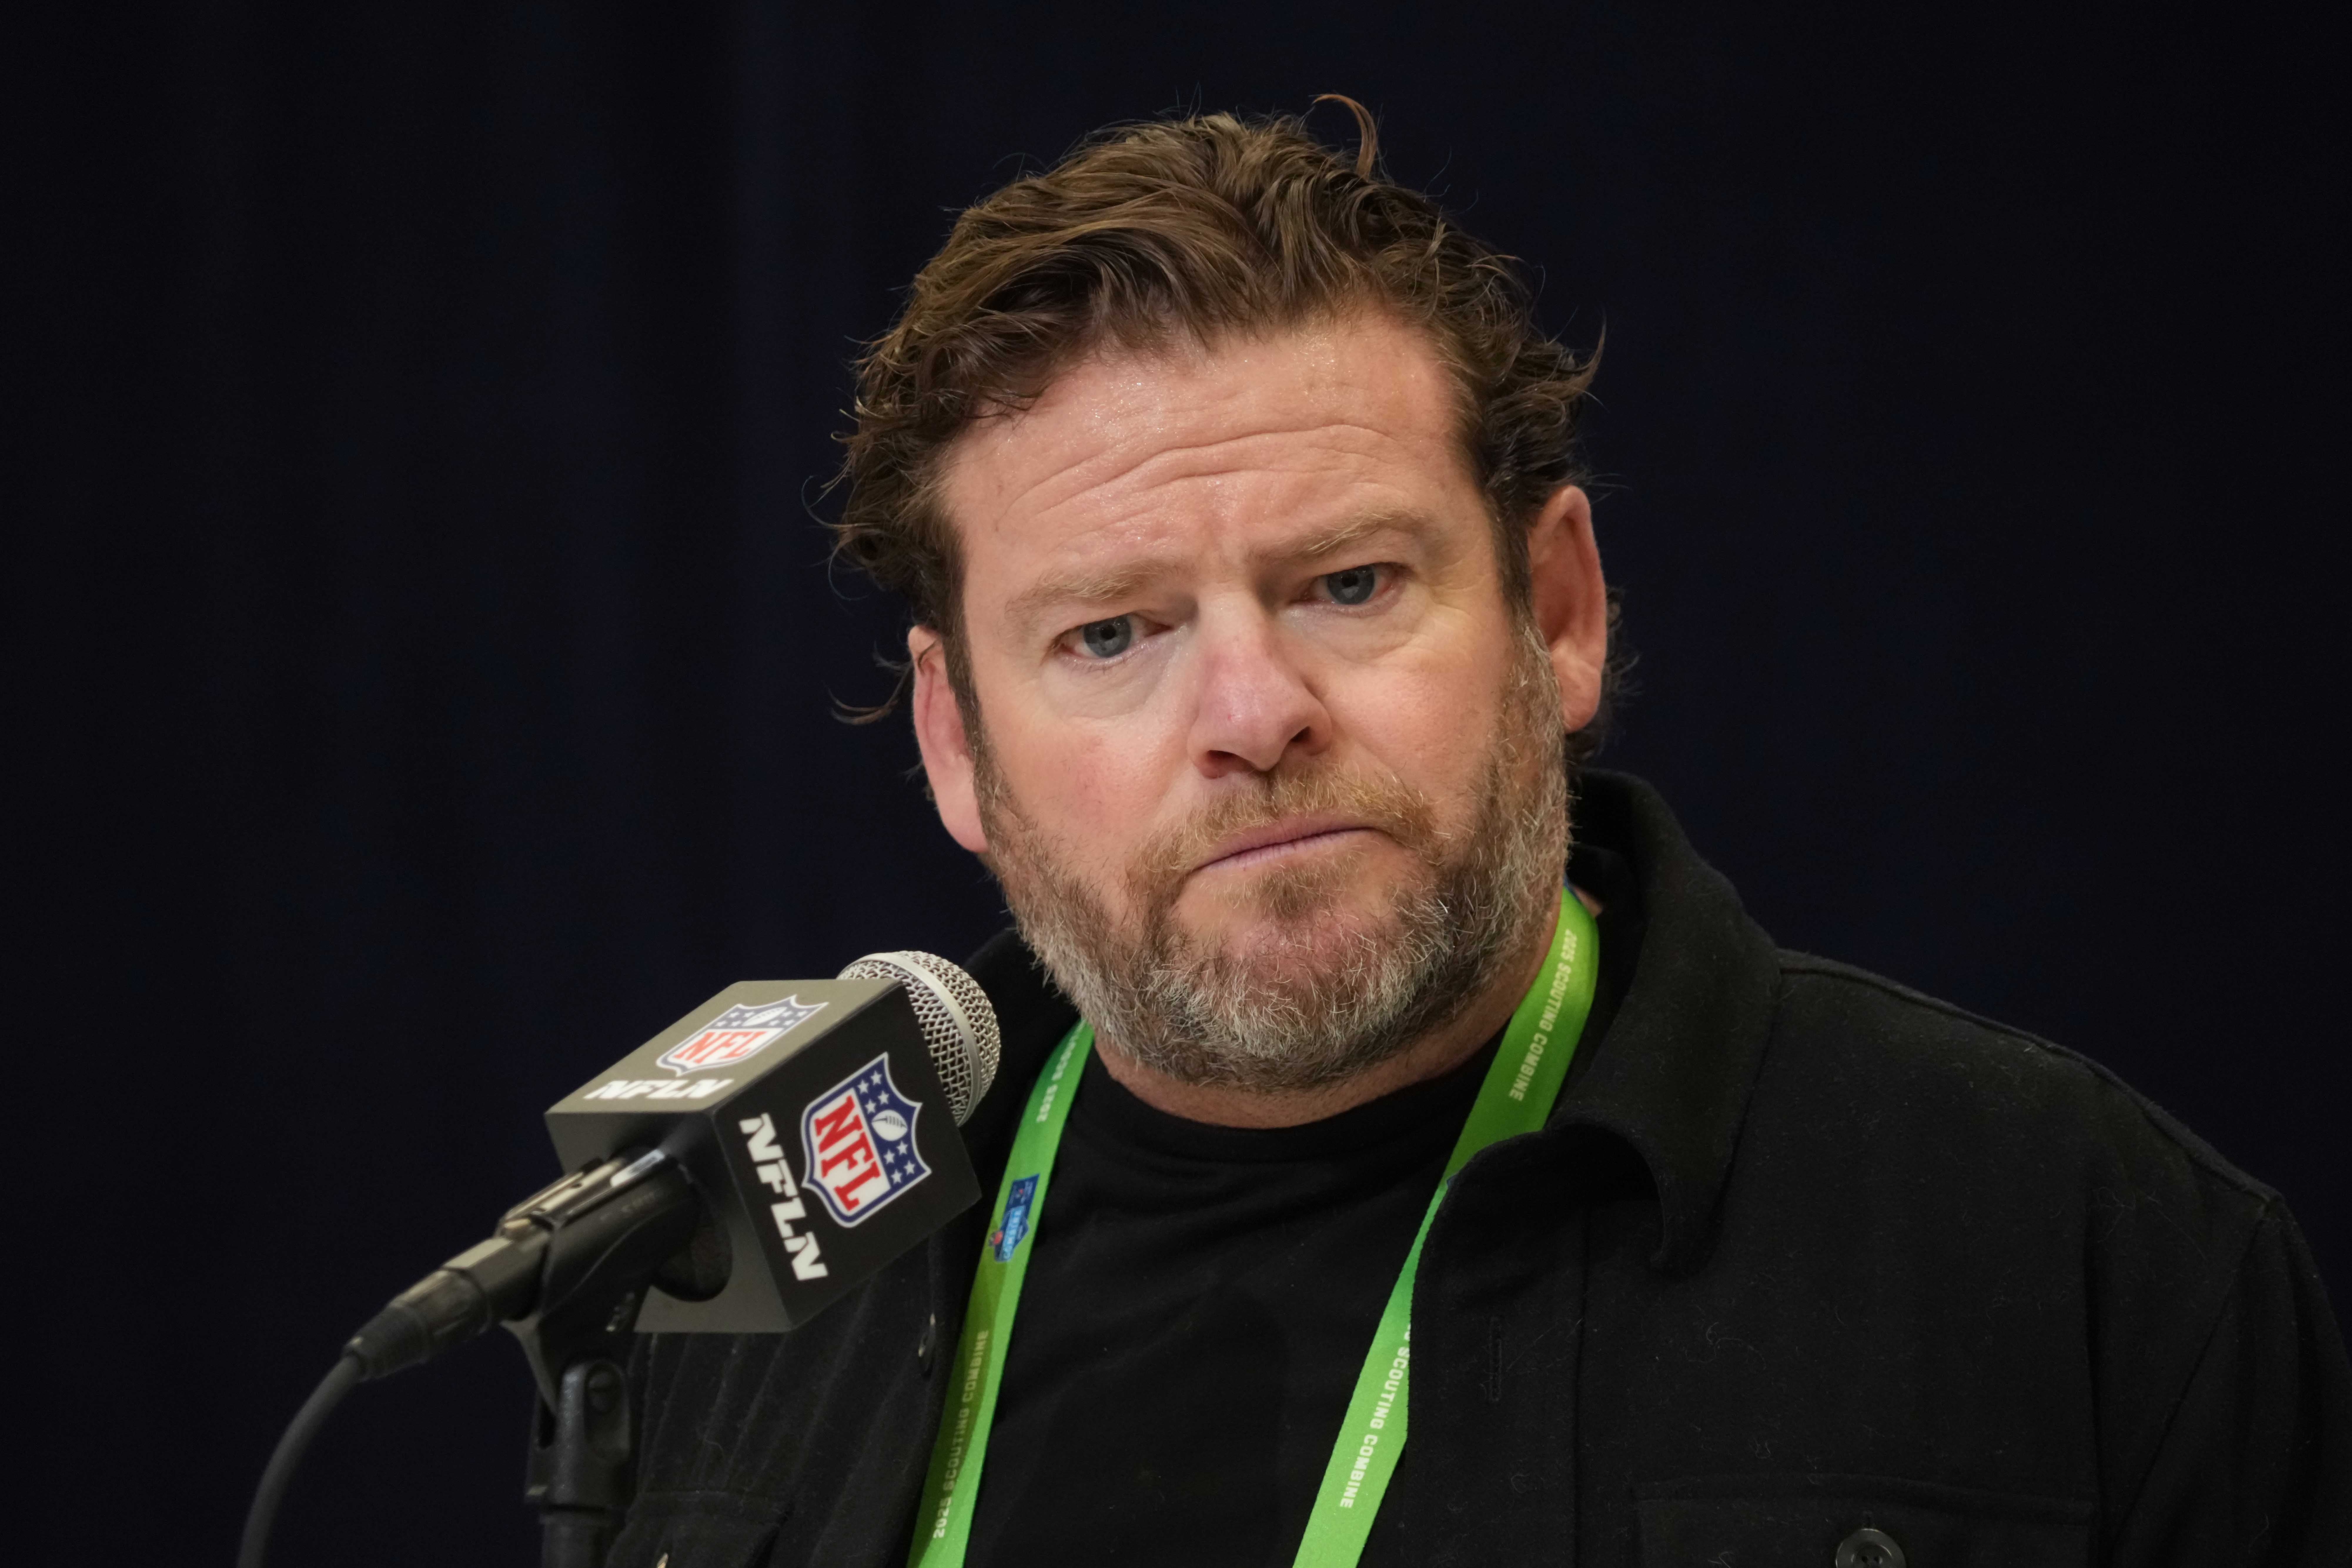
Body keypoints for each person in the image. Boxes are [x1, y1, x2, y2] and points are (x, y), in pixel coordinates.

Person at [616, 101, 2351, 1567]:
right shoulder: (742, 1260)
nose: (1252, 714)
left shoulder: (2082, 1252)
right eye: (1111, 633)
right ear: (955, 742)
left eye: (1350, 583)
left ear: (1559, 611)